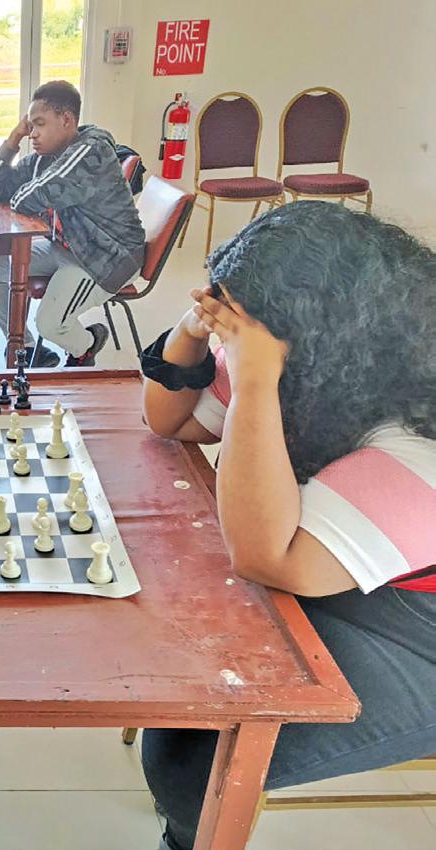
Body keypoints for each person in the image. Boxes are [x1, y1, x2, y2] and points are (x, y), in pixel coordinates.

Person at [138, 201, 436, 850]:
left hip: (417, 629)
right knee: (177, 657)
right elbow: (170, 420)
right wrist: (193, 330)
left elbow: (269, 558)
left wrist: (254, 379)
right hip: (327, 570)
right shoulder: (316, 360)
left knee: (195, 761)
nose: (233, 339)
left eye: (243, 326)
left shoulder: (422, 435)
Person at [0, 80, 145, 367]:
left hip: (104, 258)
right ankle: (27, 348)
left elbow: (29, 197)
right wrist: (13, 139)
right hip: (65, 247)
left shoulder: (91, 151)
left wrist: (23, 193)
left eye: (39, 124)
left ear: (66, 119)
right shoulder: (45, 157)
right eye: (29, 126)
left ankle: (87, 344)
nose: (32, 134)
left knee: (49, 324)